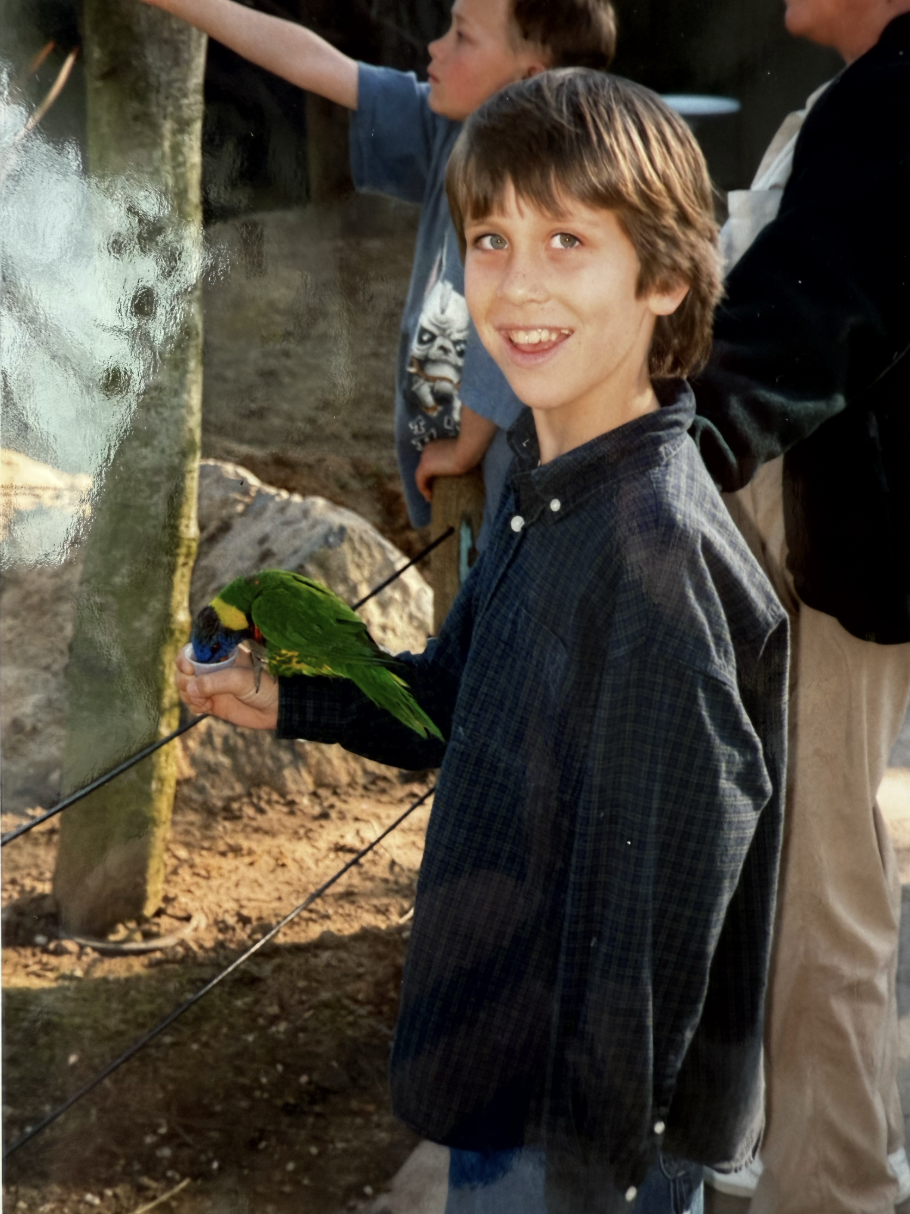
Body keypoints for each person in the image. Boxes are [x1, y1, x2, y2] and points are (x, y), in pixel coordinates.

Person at [178, 69, 790, 1212]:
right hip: (509, 1079)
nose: (515, 283)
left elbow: (666, 914)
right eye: (490, 238)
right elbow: (454, 704)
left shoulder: (652, 556)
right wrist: (291, 701)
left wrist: (596, 1169)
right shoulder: (547, 489)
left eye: (567, 240)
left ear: (664, 275)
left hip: (573, 1140)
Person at [689, 0, 910, 1208]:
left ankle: (833, 1189)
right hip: (843, 537)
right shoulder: (865, 90)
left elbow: (814, 311)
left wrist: (671, 455)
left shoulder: (895, 95)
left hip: (848, 548)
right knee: (818, 873)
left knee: (817, 890)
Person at [139, 0, 617, 542]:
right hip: (477, 468)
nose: (436, 48)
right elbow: (315, 62)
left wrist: (466, 446)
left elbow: (519, 323)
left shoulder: (542, 184)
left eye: (462, 36)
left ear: (527, 79)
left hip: (522, 473)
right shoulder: (456, 129)